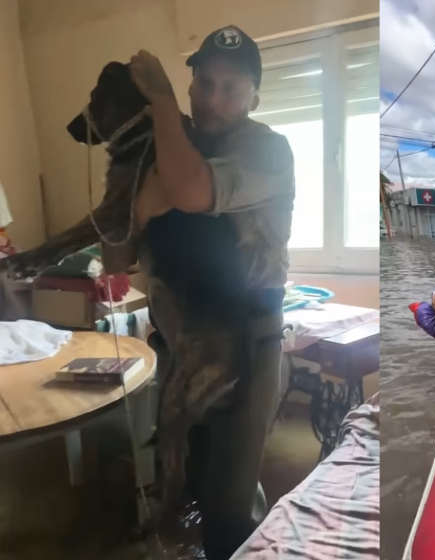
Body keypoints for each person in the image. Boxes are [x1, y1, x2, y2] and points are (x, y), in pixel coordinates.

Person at [128, 26, 294, 560]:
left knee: (229, 506)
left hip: (247, 346)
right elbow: (127, 237)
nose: (213, 99)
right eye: (203, 83)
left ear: (255, 97)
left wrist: (159, 99)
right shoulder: (178, 142)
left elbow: (190, 190)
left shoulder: (268, 150)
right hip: (178, 341)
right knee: (187, 478)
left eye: (231, 87)